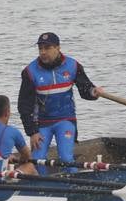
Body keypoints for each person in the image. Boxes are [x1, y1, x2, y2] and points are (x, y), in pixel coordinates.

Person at [19, 32, 104, 165]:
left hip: (65, 120)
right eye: (40, 49)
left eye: (47, 48)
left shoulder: (73, 66)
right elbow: (24, 106)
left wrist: (94, 92)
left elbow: (86, 89)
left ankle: (72, 183)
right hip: (41, 123)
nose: (43, 52)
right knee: (36, 161)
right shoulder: (29, 72)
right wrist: (32, 132)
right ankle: (41, 183)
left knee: (66, 159)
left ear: (58, 48)